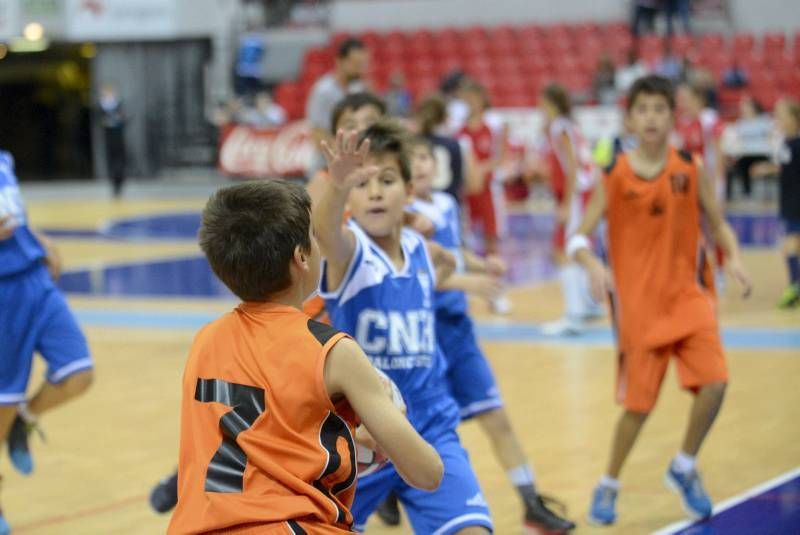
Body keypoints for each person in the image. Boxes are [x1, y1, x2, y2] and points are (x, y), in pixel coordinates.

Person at [167, 180, 443, 534]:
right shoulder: (332, 351)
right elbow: (427, 472)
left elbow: (271, 430)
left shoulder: (205, 341)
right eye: (314, 237)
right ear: (301, 257)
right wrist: (389, 427)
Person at [567, 75, 752, 525]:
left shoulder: (690, 167)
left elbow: (718, 222)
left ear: (673, 116)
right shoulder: (614, 176)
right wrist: (593, 265)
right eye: (643, 109)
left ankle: (684, 466)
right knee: (638, 410)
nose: (651, 117)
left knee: (717, 384)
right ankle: (608, 483)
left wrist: (734, 258)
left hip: (690, 299)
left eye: (659, 109)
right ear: (630, 117)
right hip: (638, 311)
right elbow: (578, 237)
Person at [315, 120, 494, 534]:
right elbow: (326, 233)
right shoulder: (350, 252)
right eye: (363, 184)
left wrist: (459, 271)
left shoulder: (418, 248)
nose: (375, 191)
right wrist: (338, 185)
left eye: (388, 180)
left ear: (409, 191)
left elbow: (437, 272)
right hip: (361, 436)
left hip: (430, 425)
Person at [404, 137, 576, 533]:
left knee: (495, 414)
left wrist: (484, 267)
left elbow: (454, 252)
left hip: (457, 332)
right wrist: (468, 282)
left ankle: (531, 502)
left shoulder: (445, 205)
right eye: (411, 159)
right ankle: (390, 491)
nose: (421, 165)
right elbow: (414, 277)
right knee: (413, 429)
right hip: (420, 336)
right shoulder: (398, 216)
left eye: (426, 156)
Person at [0, 150, 94, 534]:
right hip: (3, 297)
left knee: (78, 374)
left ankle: (25, 420)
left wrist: (40, 239)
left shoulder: (5, 159)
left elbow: (14, 218)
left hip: (36, 282)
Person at [539, 83, 603, 336]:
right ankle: (588, 304)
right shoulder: (568, 125)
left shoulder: (559, 127)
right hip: (581, 192)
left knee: (562, 250)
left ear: (550, 103)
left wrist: (566, 203)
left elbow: (573, 166)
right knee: (578, 250)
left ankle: (573, 315)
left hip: (575, 194)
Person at [751, 98, 800, 307]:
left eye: (781, 114)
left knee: (790, 244)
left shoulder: (797, 143)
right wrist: (766, 168)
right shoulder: (785, 143)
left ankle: (793, 287)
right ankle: (794, 285)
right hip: (788, 199)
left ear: (793, 119)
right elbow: (783, 166)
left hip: (796, 200)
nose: (777, 119)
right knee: (790, 244)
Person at [676, 82, 727, 287]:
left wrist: (718, 185)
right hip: (689, 185)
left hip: (710, 182)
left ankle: (721, 271)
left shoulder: (709, 119)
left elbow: (719, 153)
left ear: (697, 99)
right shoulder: (680, 122)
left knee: (715, 227)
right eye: (679, 99)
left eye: (685, 98)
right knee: (693, 229)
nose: (681, 102)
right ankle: (697, 271)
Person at [305, 38, 369, 178]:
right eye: (355, 63)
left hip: (349, 166)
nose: (360, 68)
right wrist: (341, 155)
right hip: (324, 167)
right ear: (340, 61)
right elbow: (317, 134)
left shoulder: (358, 89)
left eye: (362, 64)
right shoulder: (323, 91)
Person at [458, 80, 505, 256]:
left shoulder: (493, 125)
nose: (470, 102)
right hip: (468, 190)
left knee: (491, 236)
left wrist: (480, 169)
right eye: (467, 98)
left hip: (488, 188)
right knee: (466, 236)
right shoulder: (459, 129)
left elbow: (500, 157)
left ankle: (494, 276)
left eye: (473, 98)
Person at [725, 96, 772, 200]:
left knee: (750, 163)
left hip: (762, 154)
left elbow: (770, 137)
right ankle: (747, 193)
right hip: (746, 154)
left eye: (746, 106)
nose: (744, 109)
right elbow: (735, 140)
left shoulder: (765, 120)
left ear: (754, 107)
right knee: (741, 164)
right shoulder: (740, 123)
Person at [98, 84, 127, 199]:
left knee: (119, 161)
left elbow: (125, 118)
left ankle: (119, 183)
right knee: (111, 161)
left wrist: (120, 119)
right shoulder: (101, 106)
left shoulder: (119, 105)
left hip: (118, 138)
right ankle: (114, 184)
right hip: (108, 138)